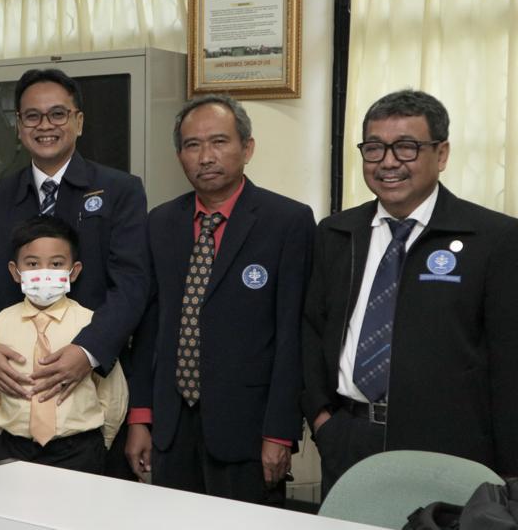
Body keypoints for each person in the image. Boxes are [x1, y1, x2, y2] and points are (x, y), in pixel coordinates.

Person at [302, 89, 518, 495]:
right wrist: (322, 420)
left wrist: (510, 472)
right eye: (374, 148)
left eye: (406, 147)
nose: (387, 162)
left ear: (441, 154)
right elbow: (312, 333)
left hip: (449, 450)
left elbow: (509, 364)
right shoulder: (336, 234)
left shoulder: (493, 239)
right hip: (349, 438)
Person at [0, 69, 149, 476]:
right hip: (14, 400)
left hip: (90, 394)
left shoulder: (119, 191)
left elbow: (131, 284)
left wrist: (87, 351)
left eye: (58, 114)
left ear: (78, 121)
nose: (46, 126)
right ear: (18, 127)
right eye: (33, 117)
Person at [125, 95, 315, 505]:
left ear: (247, 148)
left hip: (248, 430)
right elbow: (149, 328)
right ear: (179, 155)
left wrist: (280, 431)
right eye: (192, 145)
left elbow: (292, 338)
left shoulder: (288, 222)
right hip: (172, 428)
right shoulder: (161, 222)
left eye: (219, 142)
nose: (206, 156)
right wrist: (140, 417)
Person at [0, 215, 127, 474]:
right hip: (16, 449)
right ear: (16, 272)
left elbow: (112, 393)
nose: (44, 272)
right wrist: (10, 429)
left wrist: (101, 443)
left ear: (75, 270)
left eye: (57, 263)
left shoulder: (91, 324)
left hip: (79, 448)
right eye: (33, 263)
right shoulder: (0, 325)